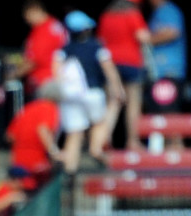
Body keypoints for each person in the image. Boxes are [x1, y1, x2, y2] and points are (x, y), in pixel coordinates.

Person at [55, 11, 125, 174]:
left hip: (70, 96)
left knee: (74, 133)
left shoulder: (63, 50)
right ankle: (96, 149)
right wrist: (118, 88)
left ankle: (70, 171)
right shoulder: (96, 47)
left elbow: (57, 73)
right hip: (92, 92)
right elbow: (108, 68)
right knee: (99, 123)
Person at [96, 0, 151, 152]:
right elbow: (142, 37)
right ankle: (133, 141)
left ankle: (104, 138)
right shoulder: (133, 14)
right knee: (134, 103)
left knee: (113, 101)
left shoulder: (106, 16)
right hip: (131, 61)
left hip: (110, 62)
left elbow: (101, 40)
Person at [16, 0, 67, 100]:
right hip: (57, 79)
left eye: (27, 16)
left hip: (45, 82)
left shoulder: (44, 30)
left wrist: (14, 74)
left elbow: (34, 60)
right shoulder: (54, 24)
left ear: (35, 11)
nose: (27, 21)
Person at [5, 96, 61, 186]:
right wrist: (55, 153)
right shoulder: (49, 107)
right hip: (37, 162)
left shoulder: (28, 108)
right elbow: (42, 130)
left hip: (18, 161)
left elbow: (10, 136)